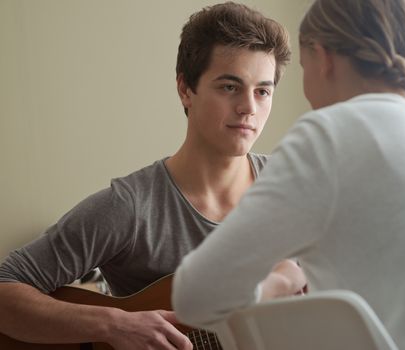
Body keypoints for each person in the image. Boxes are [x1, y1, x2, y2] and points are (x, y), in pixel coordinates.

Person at [172, 0, 405, 349]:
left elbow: (196, 296)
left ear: (322, 57)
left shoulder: (327, 135)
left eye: (302, 67)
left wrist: (278, 283)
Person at [0, 3, 305, 350]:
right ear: (185, 89)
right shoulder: (130, 207)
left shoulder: (294, 187)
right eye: (229, 87)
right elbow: (5, 286)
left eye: (262, 91)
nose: (249, 107)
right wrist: (113, 325)